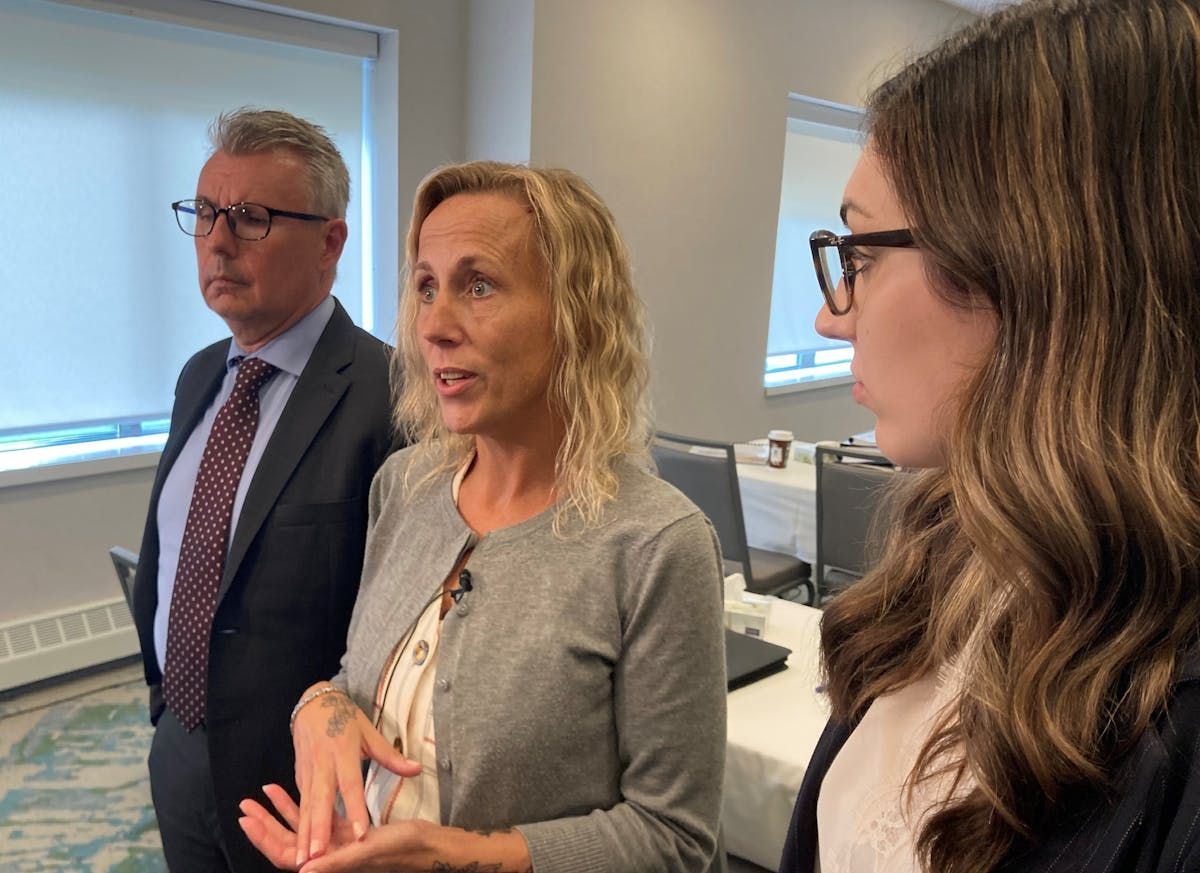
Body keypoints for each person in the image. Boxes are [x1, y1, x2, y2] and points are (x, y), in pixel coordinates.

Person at [779, 1, 1200, 871]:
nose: (829, 316)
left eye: (858, 254)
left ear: (1033, 267)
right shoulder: (948, 558)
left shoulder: (1172, 709)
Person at [236, 161, 728, 873]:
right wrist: (319, 705)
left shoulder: (656, 544)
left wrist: (462, 857)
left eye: (479, 285)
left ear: (575, 312)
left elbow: (675, 837)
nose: (434, 326)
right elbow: (359, 677)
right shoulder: (404, 486)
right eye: (426, 287)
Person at [130, 108, 396, 873]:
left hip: (303, 786)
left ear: (331, 242)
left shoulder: (391, 396)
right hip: (179, 744)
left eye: (251, 218)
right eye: (207, 213)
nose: (216, 240)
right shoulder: (199, 373)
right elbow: (172, 556)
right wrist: (164, 705)